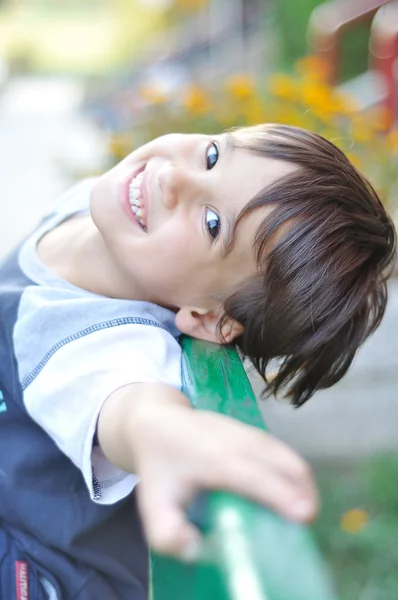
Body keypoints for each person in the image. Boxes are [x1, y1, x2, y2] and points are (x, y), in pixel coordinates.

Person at [0, 123, 395, 599]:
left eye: (212, 224)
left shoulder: (111, 345)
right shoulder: (94, 206)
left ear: (210, 319)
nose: (173, 179)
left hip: (34, 571)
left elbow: (137, 409)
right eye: (212, 155)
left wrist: (170, 434)